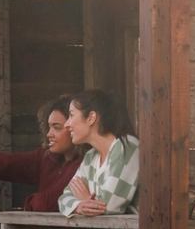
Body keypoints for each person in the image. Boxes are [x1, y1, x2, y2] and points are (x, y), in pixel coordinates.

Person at [56, 88, 140, 218]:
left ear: (91, 118)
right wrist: (79, 205)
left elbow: (109, 205)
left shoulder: (128, 146)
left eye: (71, 115)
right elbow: (63, 198)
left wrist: (84, 199)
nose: (67, 124)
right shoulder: (91, 156)